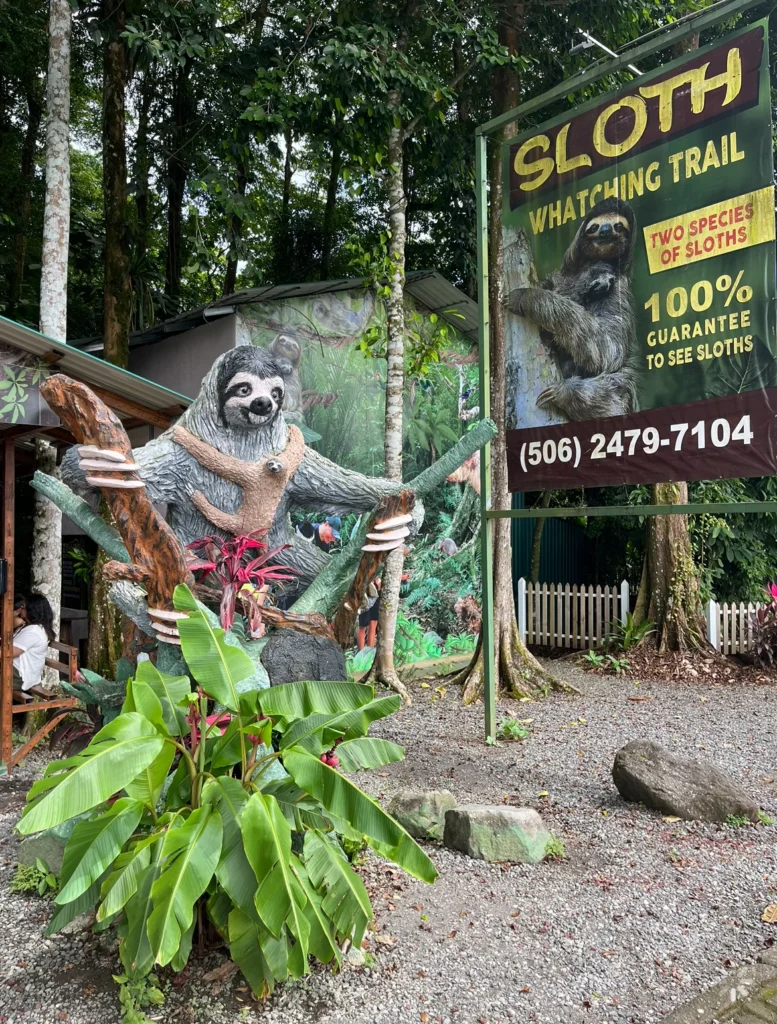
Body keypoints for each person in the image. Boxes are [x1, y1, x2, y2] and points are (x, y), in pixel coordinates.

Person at [11, 593, 55, 700]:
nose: (20, 610)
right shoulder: (30, 626)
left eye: (23, 607)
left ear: (32, 610)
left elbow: (9, 653)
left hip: (19, 677)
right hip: (16, 672)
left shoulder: (34, 631)